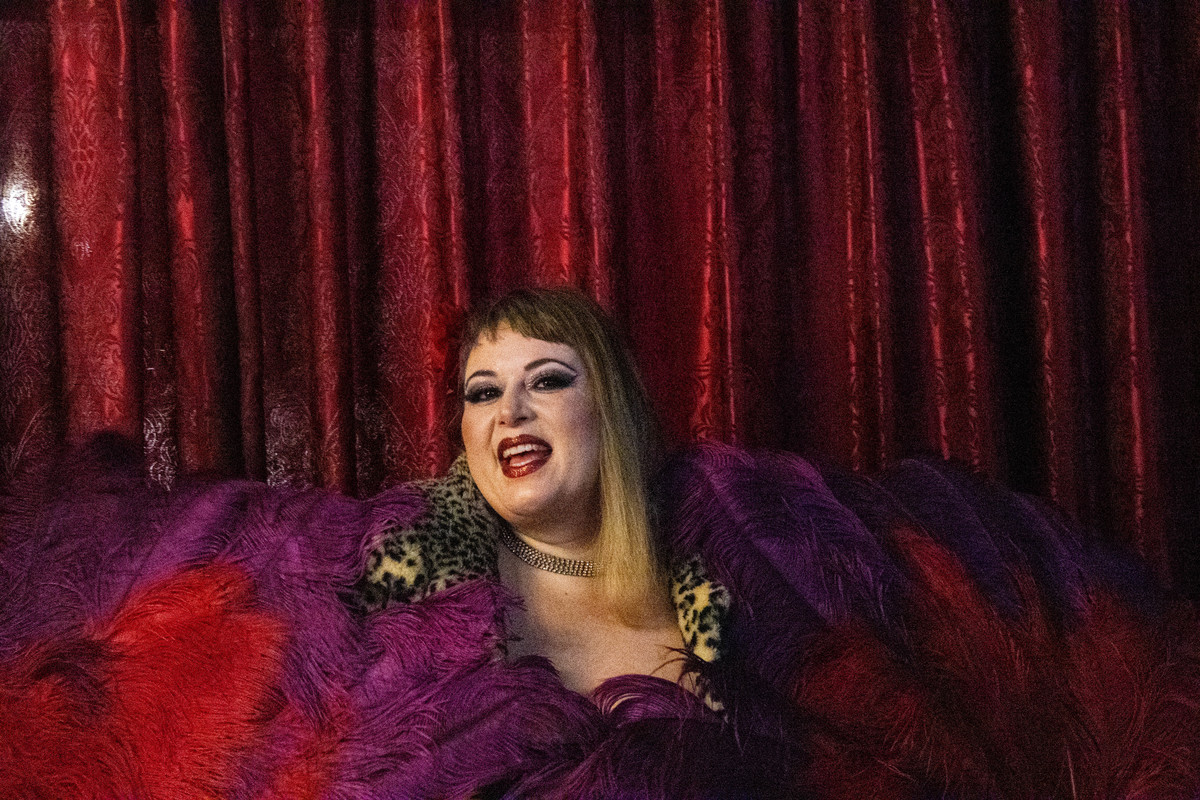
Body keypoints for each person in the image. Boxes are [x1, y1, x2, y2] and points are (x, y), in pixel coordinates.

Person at [358, 287, 729, 696]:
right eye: (484, 392)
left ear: (613, 407)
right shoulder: (393, 580)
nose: (509, 412)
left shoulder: (735, 571)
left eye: (547, 381)